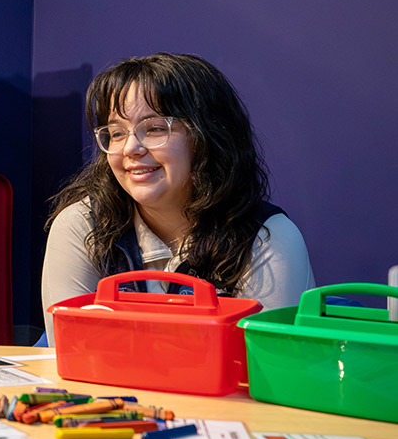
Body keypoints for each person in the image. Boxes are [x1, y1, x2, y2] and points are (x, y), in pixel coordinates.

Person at [41, 53, 314, 344]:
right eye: (117, 133)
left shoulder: (268, 237)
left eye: (155, 128)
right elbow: (70, 351)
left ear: (208, 137)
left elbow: (262, 367)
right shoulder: (82, 225)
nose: (131, 148)